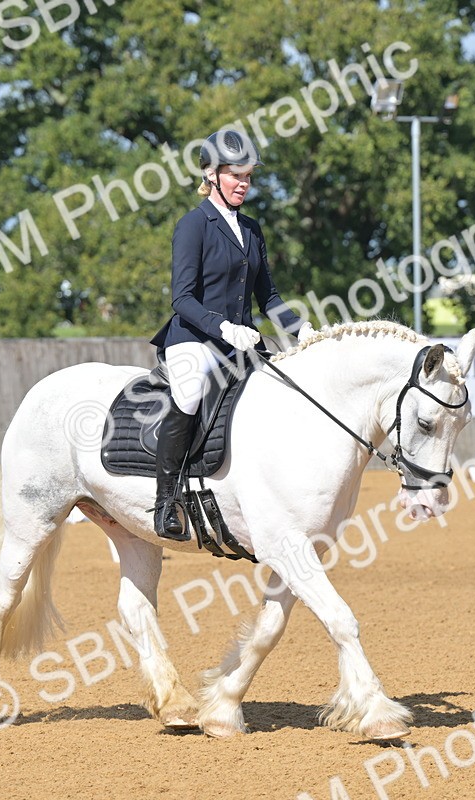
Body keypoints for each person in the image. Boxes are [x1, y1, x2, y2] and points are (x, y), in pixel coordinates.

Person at [148, 129, 315, 540]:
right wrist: (222, 327)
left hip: (242, 342)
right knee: (188, 393)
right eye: (235, 175)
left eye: (248, 177)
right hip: (194, 338)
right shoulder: (193, 225)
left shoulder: (253, 229)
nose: (243, 183)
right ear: (212, 174)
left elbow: (269, 297)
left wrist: (301, 328)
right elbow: (182, 299)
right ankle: (166, 500)